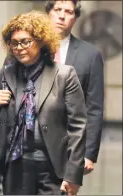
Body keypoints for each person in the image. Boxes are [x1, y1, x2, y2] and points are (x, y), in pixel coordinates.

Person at [0, 11, 86, 195]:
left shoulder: (64, 75)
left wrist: (73, 175)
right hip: (15, 165)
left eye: (25, 41)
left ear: (40, 41)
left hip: (52, 166)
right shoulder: (5, 74)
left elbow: (77, 127)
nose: (19, 48)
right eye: (14, 43)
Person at [45, 0, 104, 176]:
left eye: (69, 12)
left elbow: (94, 108)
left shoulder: (90, 55)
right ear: (48, 12)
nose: (62, 16)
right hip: (29, 145)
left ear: (75, 18)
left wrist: (89, 153)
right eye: (57, 10)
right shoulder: (30, 47)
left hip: (68, 146)